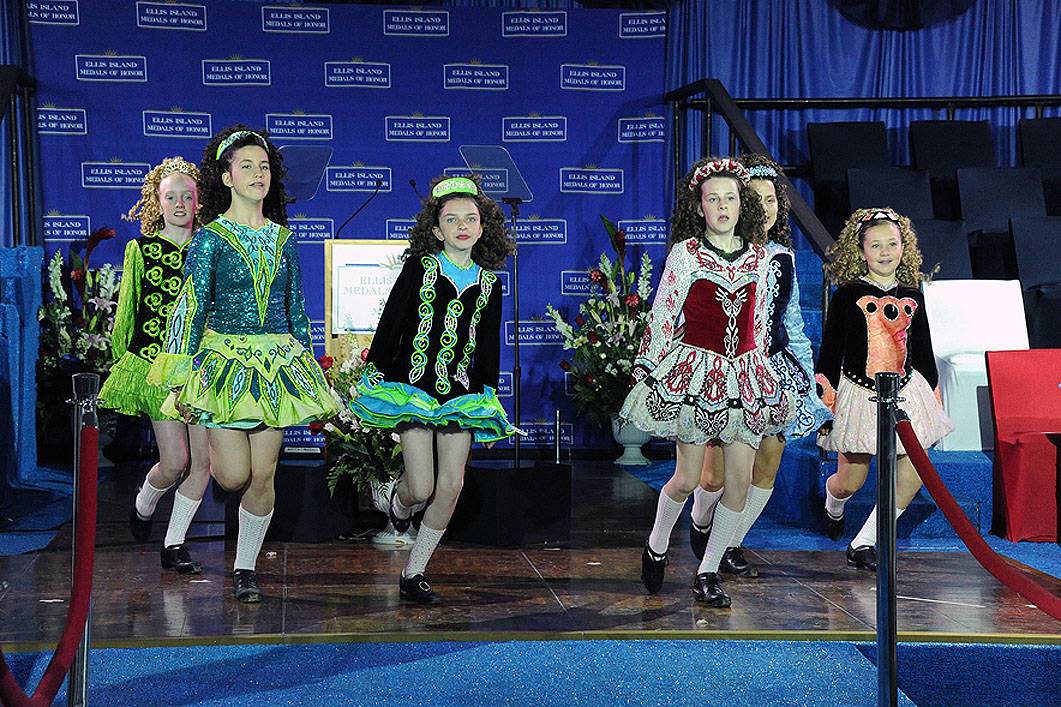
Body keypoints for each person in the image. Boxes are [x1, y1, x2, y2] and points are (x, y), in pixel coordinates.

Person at [149, 126, 339, 602]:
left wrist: (312, 372)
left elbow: (296, 309)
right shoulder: (211, 238)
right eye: (247, 166)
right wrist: (180, 372)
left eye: (265, 166)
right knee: (232, 476)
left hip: (276, 366)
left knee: (264, 475)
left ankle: (245, 568)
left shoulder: (283, 238)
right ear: (227, 176)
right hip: (225, 367)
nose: (258, 174)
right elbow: (192, 306)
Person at [620, 157, 792, 607]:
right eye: (713, 199)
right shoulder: (686, 253)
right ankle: (657, 543)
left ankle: (707, 571)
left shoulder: (760, 257)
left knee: (738, 485)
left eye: (730, 198)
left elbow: (758, 322)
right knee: (687, 478)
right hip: (697, 372)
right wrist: (647, 367)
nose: (722, 206)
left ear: (742, 205)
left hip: (744, 377)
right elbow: (663, 314)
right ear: (699, 207)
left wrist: (762, 372)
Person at [349, 174, 517, 604]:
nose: (462, 226)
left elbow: (488, 345)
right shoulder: (421, 268)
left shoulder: (491, 283)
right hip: (414, 389)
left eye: (470, 218)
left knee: (451, 485)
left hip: (462, 395)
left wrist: (488, 395)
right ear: (437, 230)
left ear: (483, 228)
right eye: (451, 219)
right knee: (421, 488)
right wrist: (375, 372)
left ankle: (415, 571)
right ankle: (396, 501)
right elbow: (392, 322)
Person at [688, 154, 832, 577]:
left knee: (766, 465)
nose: (764, 208)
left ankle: (730, 544)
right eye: (754, 199)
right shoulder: (714, 253)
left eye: (771, 200)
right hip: (725, 373)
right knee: (713, 478)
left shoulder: (784, 258)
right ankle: (701, 519)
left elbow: (793, 323)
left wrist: (806, 379)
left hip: (772, 372)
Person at [815, 207, 953, 570]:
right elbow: (830, 351)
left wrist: (933, 394)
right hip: (860, 393)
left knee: (914, 469)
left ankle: (864, 542)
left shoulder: (912, 294)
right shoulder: (847, 295)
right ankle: (833, 500)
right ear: (861, 250)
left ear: (903, 247)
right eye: (875, 245)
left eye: (892, 244)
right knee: (851, 481)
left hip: (905, 392)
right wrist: (825, 401)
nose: (885, 252)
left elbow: (923, 349)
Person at [98, 156, 211, 574]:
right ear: (157, 202)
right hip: (155, 367)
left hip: (201, 370)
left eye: (187, 196)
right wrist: (123, 363)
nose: (179, 204)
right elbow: (128, 311)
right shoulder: (141, 250)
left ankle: (174, 544)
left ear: (198, 201)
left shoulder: (210, 248)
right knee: (175, 462)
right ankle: (145, 501)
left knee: (203, 464)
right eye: (171, 197)